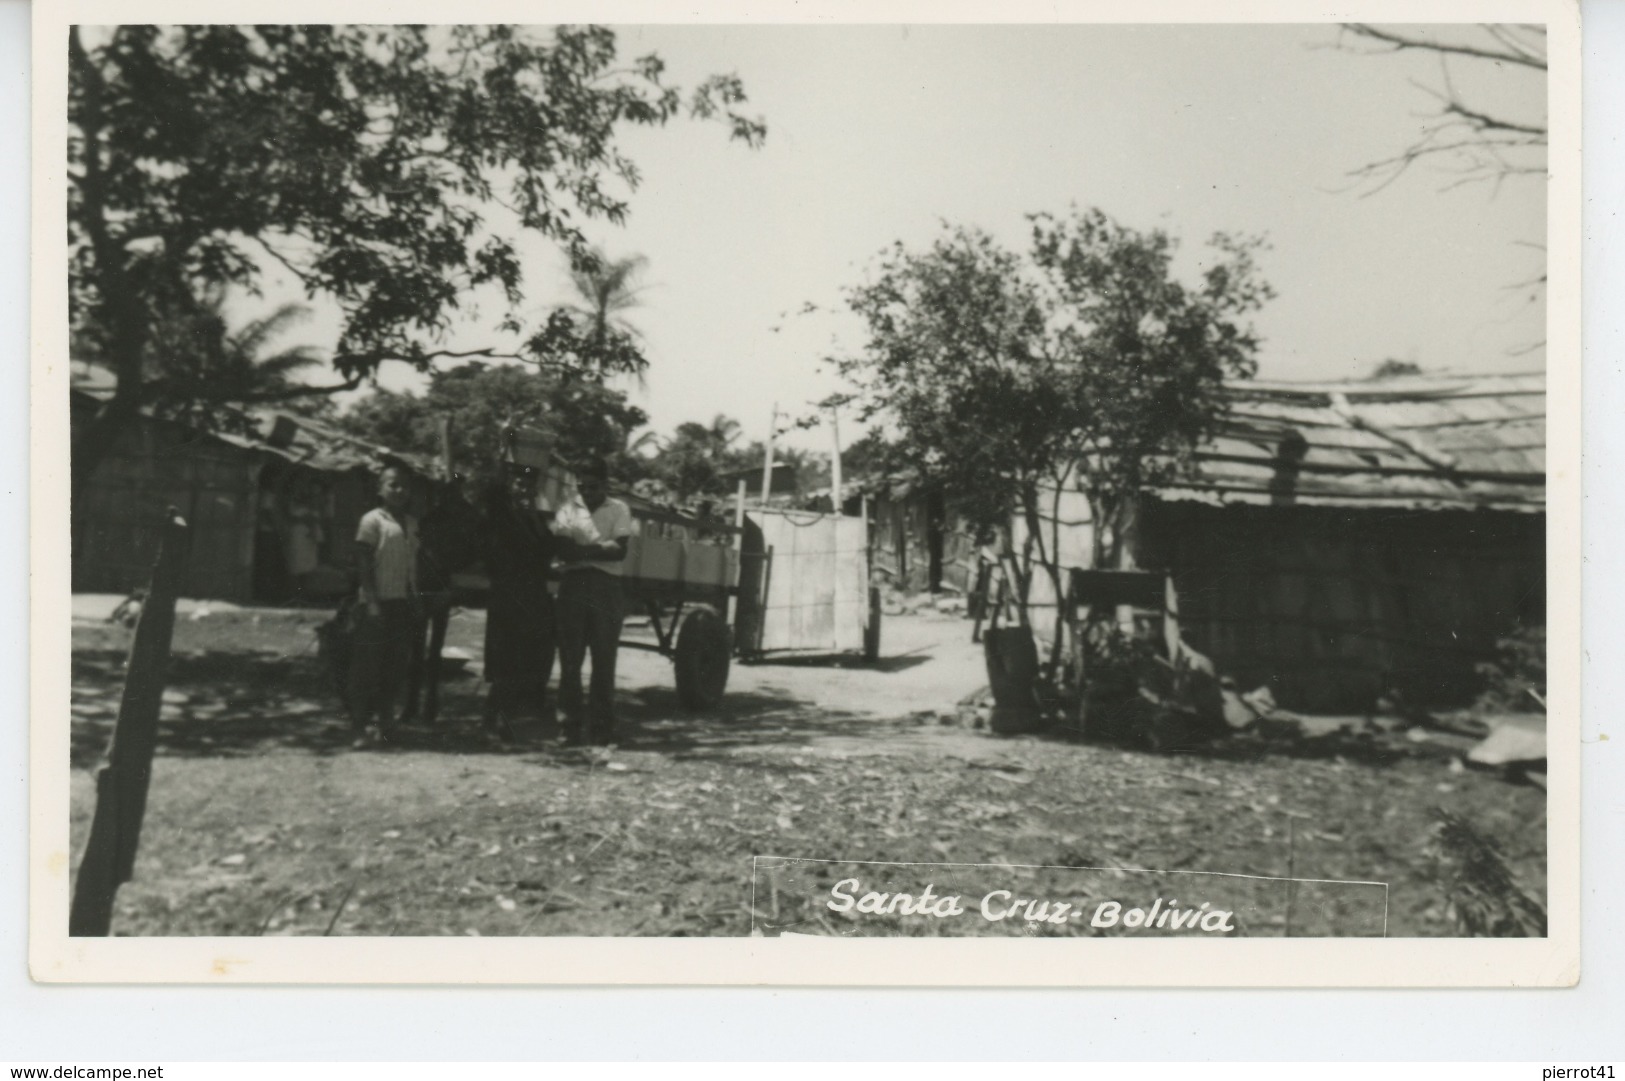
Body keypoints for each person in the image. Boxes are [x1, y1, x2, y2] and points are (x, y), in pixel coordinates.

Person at [552, 459, 635, 745]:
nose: (586, 492)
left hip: (606, 588)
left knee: (604, 660)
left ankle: (602, 728)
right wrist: (599, 548)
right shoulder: (567, 509)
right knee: (570, 660)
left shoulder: (619, 509)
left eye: (593, 487)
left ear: (605, 485)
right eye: (582, 487)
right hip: (573, 587)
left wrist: (580, 551)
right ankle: (568, 728)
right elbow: (562, 548)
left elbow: (619, 551)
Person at [479, 463, 558, 742]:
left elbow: (549, 550)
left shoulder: (532, 520)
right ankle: (491, 721)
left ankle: (505, 720)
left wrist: (536, 520)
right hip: (507, 597)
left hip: (532, 597)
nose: (523, 489)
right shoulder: (500, 515)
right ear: (509, 487)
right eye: (518, 484)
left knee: (525, 662)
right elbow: (492, 492)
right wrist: (505, 446)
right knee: (504, 664)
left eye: (528, 486)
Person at [348, 464, 420, 748]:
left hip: (401, 604)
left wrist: (414, 598)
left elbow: (411, 567)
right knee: (366, 669)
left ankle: (386, 725)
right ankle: (358, 728)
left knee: (394, 668)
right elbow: (363, 564)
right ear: (380, 488)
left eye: (404, 485)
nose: (399, 491)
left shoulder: (412, 523)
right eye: (393, 484)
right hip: (374, 605)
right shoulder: (372, 521)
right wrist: (373, 603)